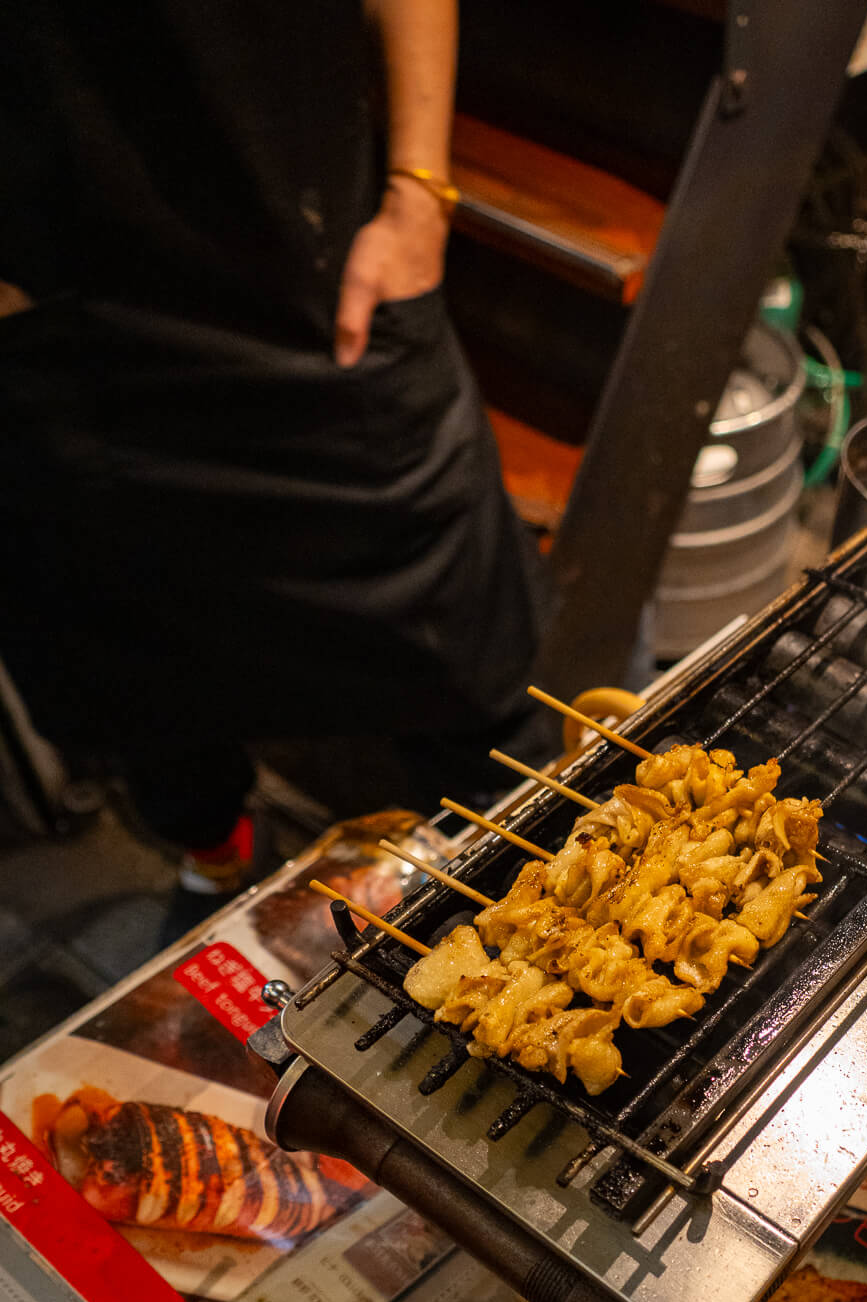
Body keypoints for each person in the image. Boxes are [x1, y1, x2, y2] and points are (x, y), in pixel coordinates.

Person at [0, 0, 539, 891]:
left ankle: (529, 892)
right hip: (58, 334)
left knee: (473, 662)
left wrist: (420, 195)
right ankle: (214, 869)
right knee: (146, 689)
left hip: (316, 286)